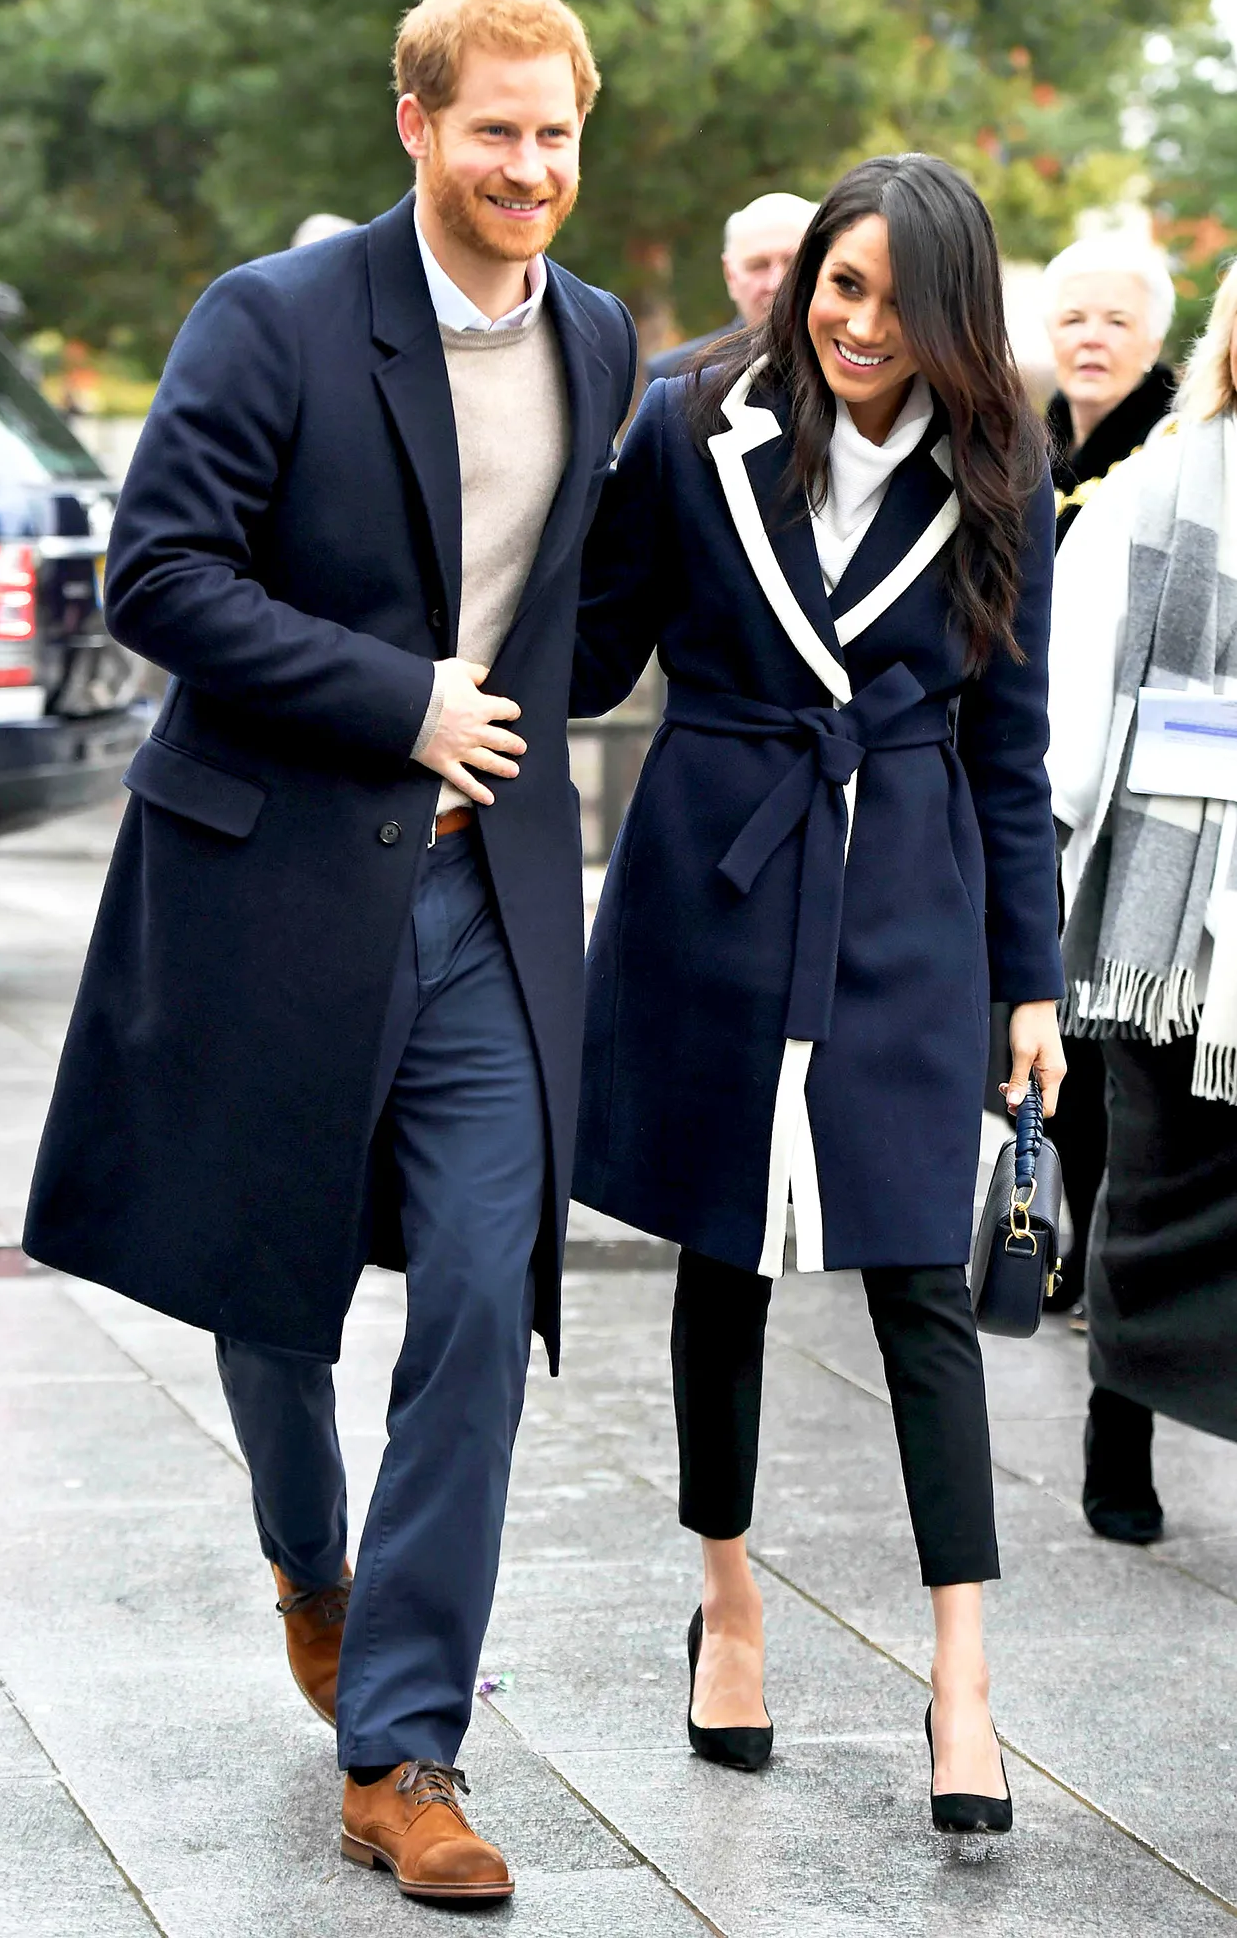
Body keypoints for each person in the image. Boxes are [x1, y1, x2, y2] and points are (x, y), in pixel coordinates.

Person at [23, 0, 635, 1904]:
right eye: (493, 130)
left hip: (486, 904)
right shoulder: (272, 317)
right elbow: (159, 574)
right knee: (269, 1294)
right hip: (276, 882)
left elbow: (576, 617)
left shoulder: (600, 339)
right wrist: (399, 699)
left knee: (475, 1298)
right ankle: (312, 1565)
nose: (526, 166)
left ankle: (403, 1751)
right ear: (415, 124)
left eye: (553, 134)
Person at [573, 153, 1065, 1831]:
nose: (857, 324)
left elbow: (1010, 747)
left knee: (921, 1275)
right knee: (723, 1258)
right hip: (716, 877)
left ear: (950, 317)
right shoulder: (683, 421)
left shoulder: (1003, 458)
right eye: (837, 286)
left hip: (907, 892)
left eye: (895, 302)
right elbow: (591, 649)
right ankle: (724, 1607)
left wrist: (1028, 983)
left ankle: (963, 1680)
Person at [1047, 259, 1237, 1546]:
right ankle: (1120, 1423)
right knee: (1151, 1177)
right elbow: (1071, 719)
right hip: (1162, 921)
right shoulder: (1150, 492)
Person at [1035, 235, 1179, 1313]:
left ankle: (1119, 1259)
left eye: (1116, 321)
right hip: (1032, 776)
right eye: (1074, 318)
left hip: (1141, 787)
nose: (1092, 338)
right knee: (1048, 1026)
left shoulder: (1178, 454)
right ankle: (1060, 1237)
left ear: (1157, 338)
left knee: (1114, 1034)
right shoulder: (1031, 451)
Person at [646, 191, 817, 382]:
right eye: (758, 266)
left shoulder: (843, 361)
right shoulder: (680, 376)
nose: (776, 283)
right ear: (730, 275)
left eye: (794, 264)